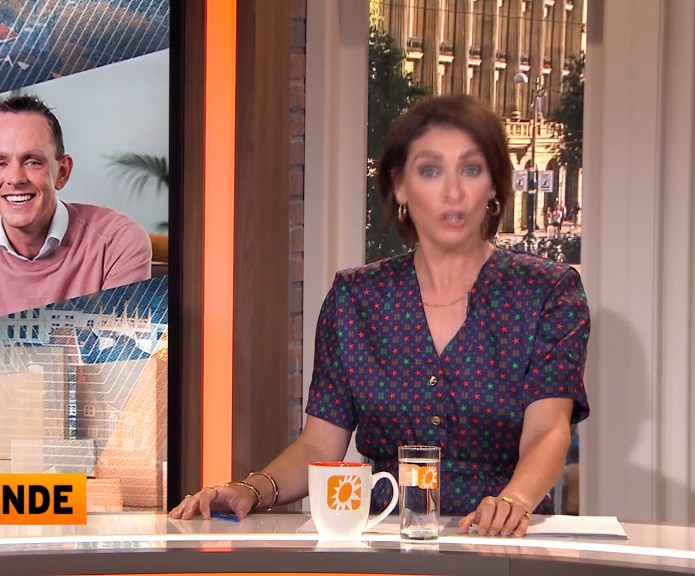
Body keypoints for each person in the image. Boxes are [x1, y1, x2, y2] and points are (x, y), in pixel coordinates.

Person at [170, 94, 590, 539]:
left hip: (502, 540)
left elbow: (547, 430)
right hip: (386, 540)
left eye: (471, 169)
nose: (453, 192)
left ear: (493, 186)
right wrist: (250, 490)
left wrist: (514, 501)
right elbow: (319, 444)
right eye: (431, 171)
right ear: (400, 187)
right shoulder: (356, 298)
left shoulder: (547, 292)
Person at [0, 95, 152, 331]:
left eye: (32, 162)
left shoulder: (117, 243)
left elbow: (121, 351)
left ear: (62, 172)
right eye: (0, 163)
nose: (15, 179)